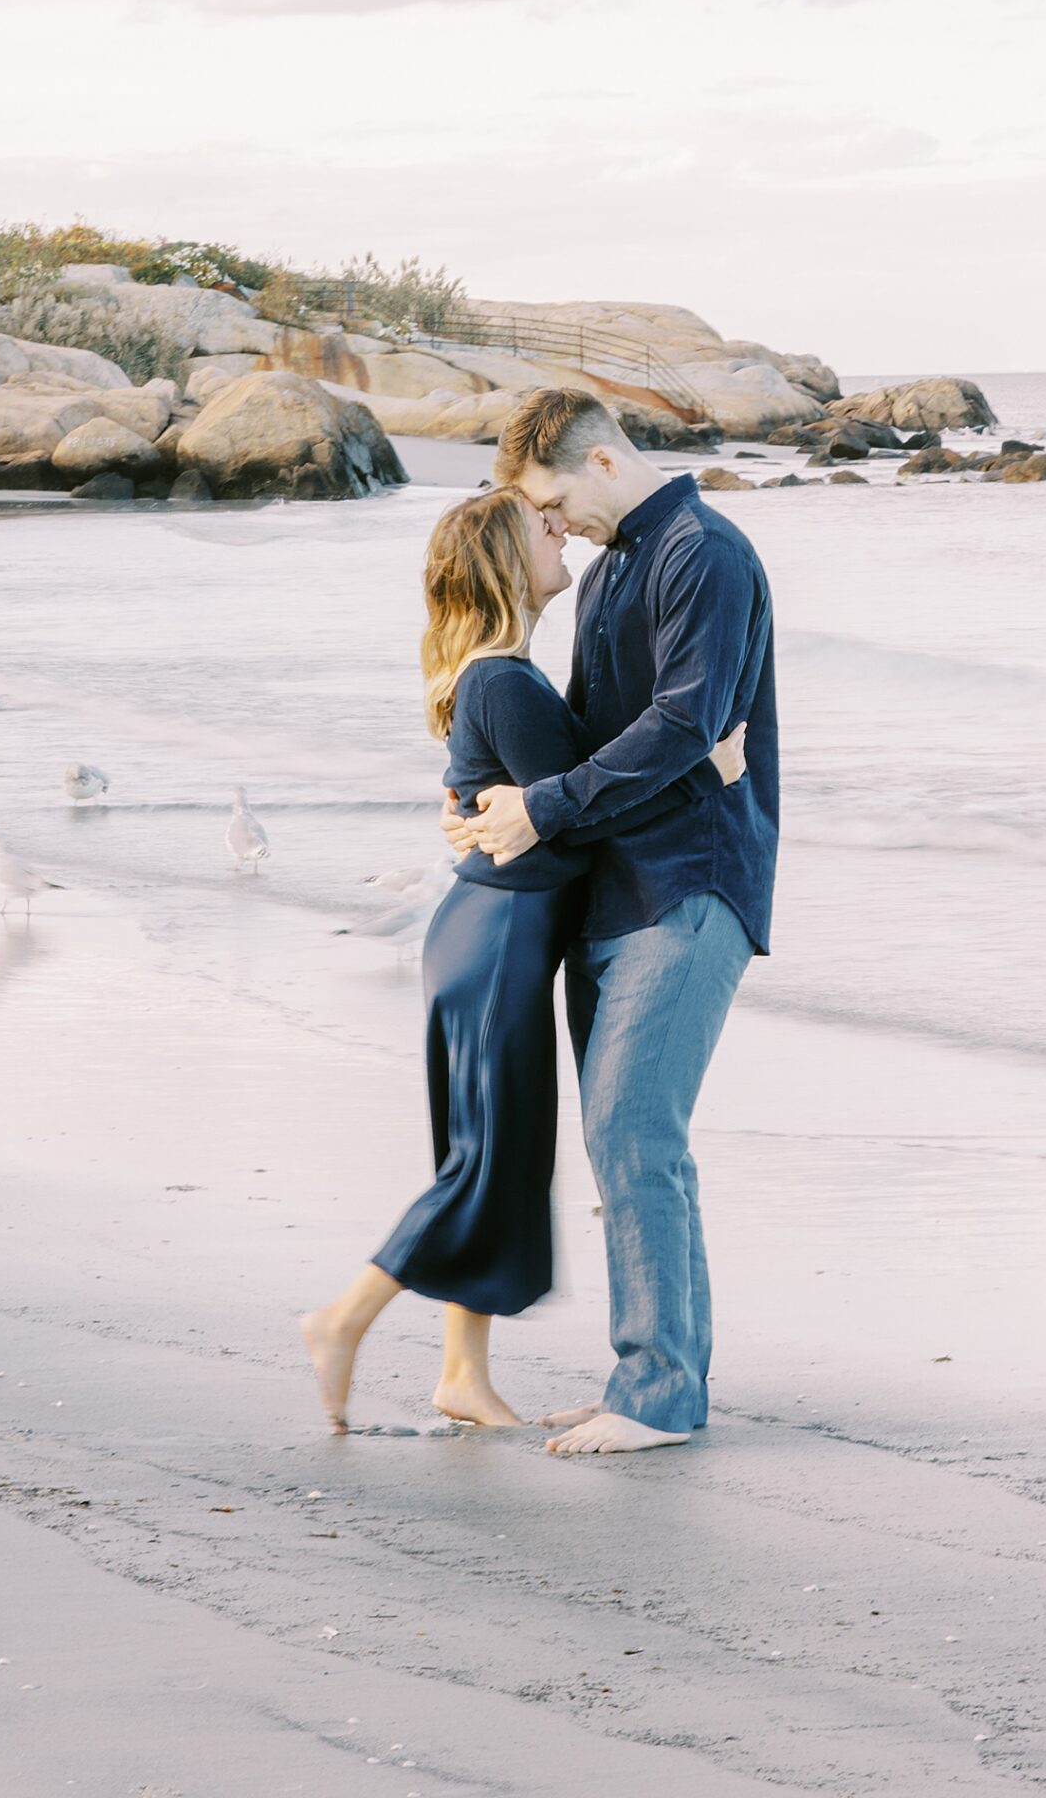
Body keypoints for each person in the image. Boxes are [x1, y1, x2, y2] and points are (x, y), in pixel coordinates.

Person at [300, 485, 745, 1432]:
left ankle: (462, 1373)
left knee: (497, 1156)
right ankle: (340, 1320)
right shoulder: (504, 679)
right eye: (539, 529)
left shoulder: (499, 673)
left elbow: (547, 803)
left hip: (490, 931)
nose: (560, 534)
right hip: (499, 939)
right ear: (507, 561)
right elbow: (573, 822)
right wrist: (707, 769)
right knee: (485, 1162)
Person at [451, 389, 779, 1457]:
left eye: (553, 500)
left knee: (635, 1130)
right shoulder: (608, 574)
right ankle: (650, 1373)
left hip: (692, 881)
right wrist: (481, 805)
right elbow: (590, 741)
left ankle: (660, 1394)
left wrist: (539, 806)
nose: (555, 525)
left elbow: (685, 722)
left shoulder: (705, 552)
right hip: (619, 887)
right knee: (623, 1139)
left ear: (600, 459)